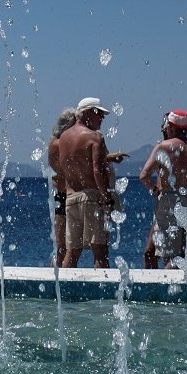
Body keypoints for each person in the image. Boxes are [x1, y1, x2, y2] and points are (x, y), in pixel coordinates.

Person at [52, 97, 127, 268]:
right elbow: (96, 170)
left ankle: (64, 291)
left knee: (72, 253)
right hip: (92, 198)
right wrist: (107, 199)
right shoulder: (95, 137)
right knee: (100, 253)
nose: (102, 118)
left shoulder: (63, 138)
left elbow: (68, 166)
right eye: (99, 114)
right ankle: (105, 294)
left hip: (71, 198)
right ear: (86, 113)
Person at [138, 109, 187, 268]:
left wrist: (155, 189)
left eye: (167, 126)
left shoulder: (164, 147)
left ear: (172, 128)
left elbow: (144, 176)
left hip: (169, 201)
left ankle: (168, 290)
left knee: (170, 257)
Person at [47, 109, 78, 268]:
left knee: (67, 245)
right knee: (64, 245)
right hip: (63, 194)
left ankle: (60, 273)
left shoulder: (58, 143)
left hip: (65, 194)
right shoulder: (58, 144)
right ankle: (59, 275)